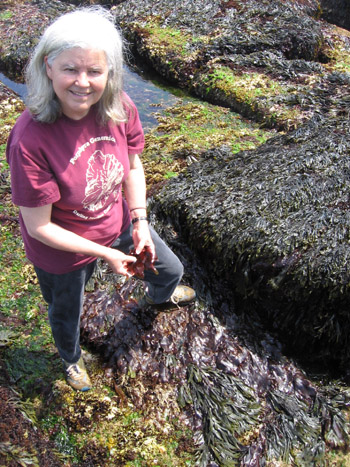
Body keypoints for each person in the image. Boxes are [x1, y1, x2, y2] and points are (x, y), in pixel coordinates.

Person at [6, 6, 195, 392]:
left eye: (94, 71)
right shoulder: (30, 139)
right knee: (65, 312)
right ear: (48, 67)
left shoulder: (119, 107)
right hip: (62, 250)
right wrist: (106, 254)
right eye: (70, 69)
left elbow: (132, 166)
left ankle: (161, 296)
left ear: (109, 72)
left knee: (170, 269)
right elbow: (39, 226)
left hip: (118, 222)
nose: (83, 82)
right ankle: (71, 360)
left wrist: (140, 221)